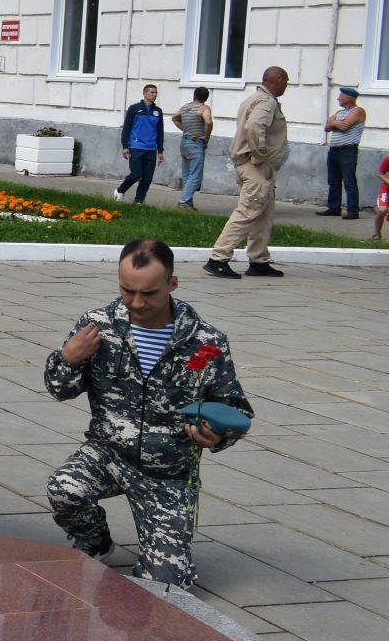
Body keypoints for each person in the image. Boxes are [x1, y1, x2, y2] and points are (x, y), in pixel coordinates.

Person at [44, 239, 252, 587]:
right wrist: (68, 357)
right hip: (107, 454)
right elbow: (59, 390)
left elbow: (234, 408)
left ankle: (161, 558)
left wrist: (218, 435)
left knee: (166, 587)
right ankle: (95, 542)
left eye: (149, 293)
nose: (137, 303)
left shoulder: (206, 341)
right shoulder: (98, 325)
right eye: (127, 290)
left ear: (172, 284)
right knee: (64, 490)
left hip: (168, 473)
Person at [206, 66, 290, 279]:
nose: (286, 86)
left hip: (255, 166)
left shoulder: (254, 99)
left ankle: (259, 260)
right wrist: (261, 155)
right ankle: (218, 258)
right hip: (256, 166)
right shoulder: (266, 102)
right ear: (277, 80)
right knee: (248, 211)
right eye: (286, 81)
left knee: (263, 215)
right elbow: (254, 127)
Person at [318, 86, 367, 219]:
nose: (338, 98)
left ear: (349, 98)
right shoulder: (340, 112)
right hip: (334, 150)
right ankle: (334, 208)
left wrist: (333, 122)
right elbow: (327, 127)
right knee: (333, 180)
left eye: (341, 96)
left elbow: (345, 126)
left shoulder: (358, 111)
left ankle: (353, 211)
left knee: (349, 181)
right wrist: (334, 123)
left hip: (348, 150)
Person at [113, 84, 165, 205]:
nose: (154, 95)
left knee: (147, 178)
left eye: (156, 93)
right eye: (152, 92)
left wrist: (160, 150)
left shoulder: (158, 111)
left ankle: (139, 201)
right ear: (145, 93)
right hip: (136, 146)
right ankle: (120, 191)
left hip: (151, 148)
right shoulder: (134, 108)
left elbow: (160, 132)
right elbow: (126, 128)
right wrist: (125, 146)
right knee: (136, 174)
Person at [170, 88, 213, 210]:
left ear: (194, 95)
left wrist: (185, 129)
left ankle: (188, 202)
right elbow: (208, 122)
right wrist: (206, 137)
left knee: (187, 174)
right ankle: (184, 202)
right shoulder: (204, 108)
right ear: (206, 97)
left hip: (184, 142)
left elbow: (174, 118)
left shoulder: (185, 107)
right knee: (195, 176)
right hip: (196, 142)